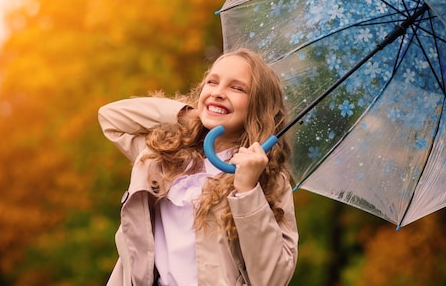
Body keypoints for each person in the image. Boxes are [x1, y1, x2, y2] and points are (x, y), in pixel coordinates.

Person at [98, 48, 299, 286]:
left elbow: (273, 279)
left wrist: (247, 191)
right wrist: (186, 115)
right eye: (212, 82)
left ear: (259, 105)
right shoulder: (163, 155)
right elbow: (110, 117)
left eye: (237, 88)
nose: (218, 93)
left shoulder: (269, 180)